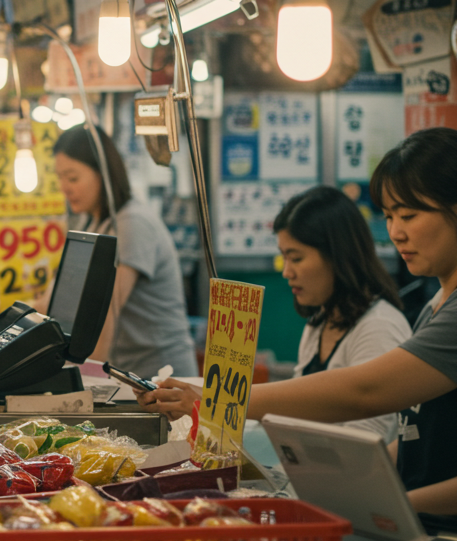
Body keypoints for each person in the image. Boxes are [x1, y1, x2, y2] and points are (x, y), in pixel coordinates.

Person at [141, 128, 457, 533]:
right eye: (390, 216)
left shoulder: (390, 324)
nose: (396, 232)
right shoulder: (435, 307)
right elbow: (413, 442)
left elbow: (364, 394)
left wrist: (218, 400)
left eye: (409, 215)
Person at [140, 186, 410, 441]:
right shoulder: (320, 322)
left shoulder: (379, 327)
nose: (287, 272)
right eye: (284, 258)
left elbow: (370, 442)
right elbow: (296, 416)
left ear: (337, 255)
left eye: (297, 258)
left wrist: (212, 402)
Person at [53, 126, 198, 379]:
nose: (64, 188)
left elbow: (107, 310)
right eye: (60, 178)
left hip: (160, 377)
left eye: (73, 178)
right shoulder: (95, 223)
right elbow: (56, 298)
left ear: (104, 174)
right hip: (125, 372)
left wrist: (84, 380)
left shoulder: (131, 224)